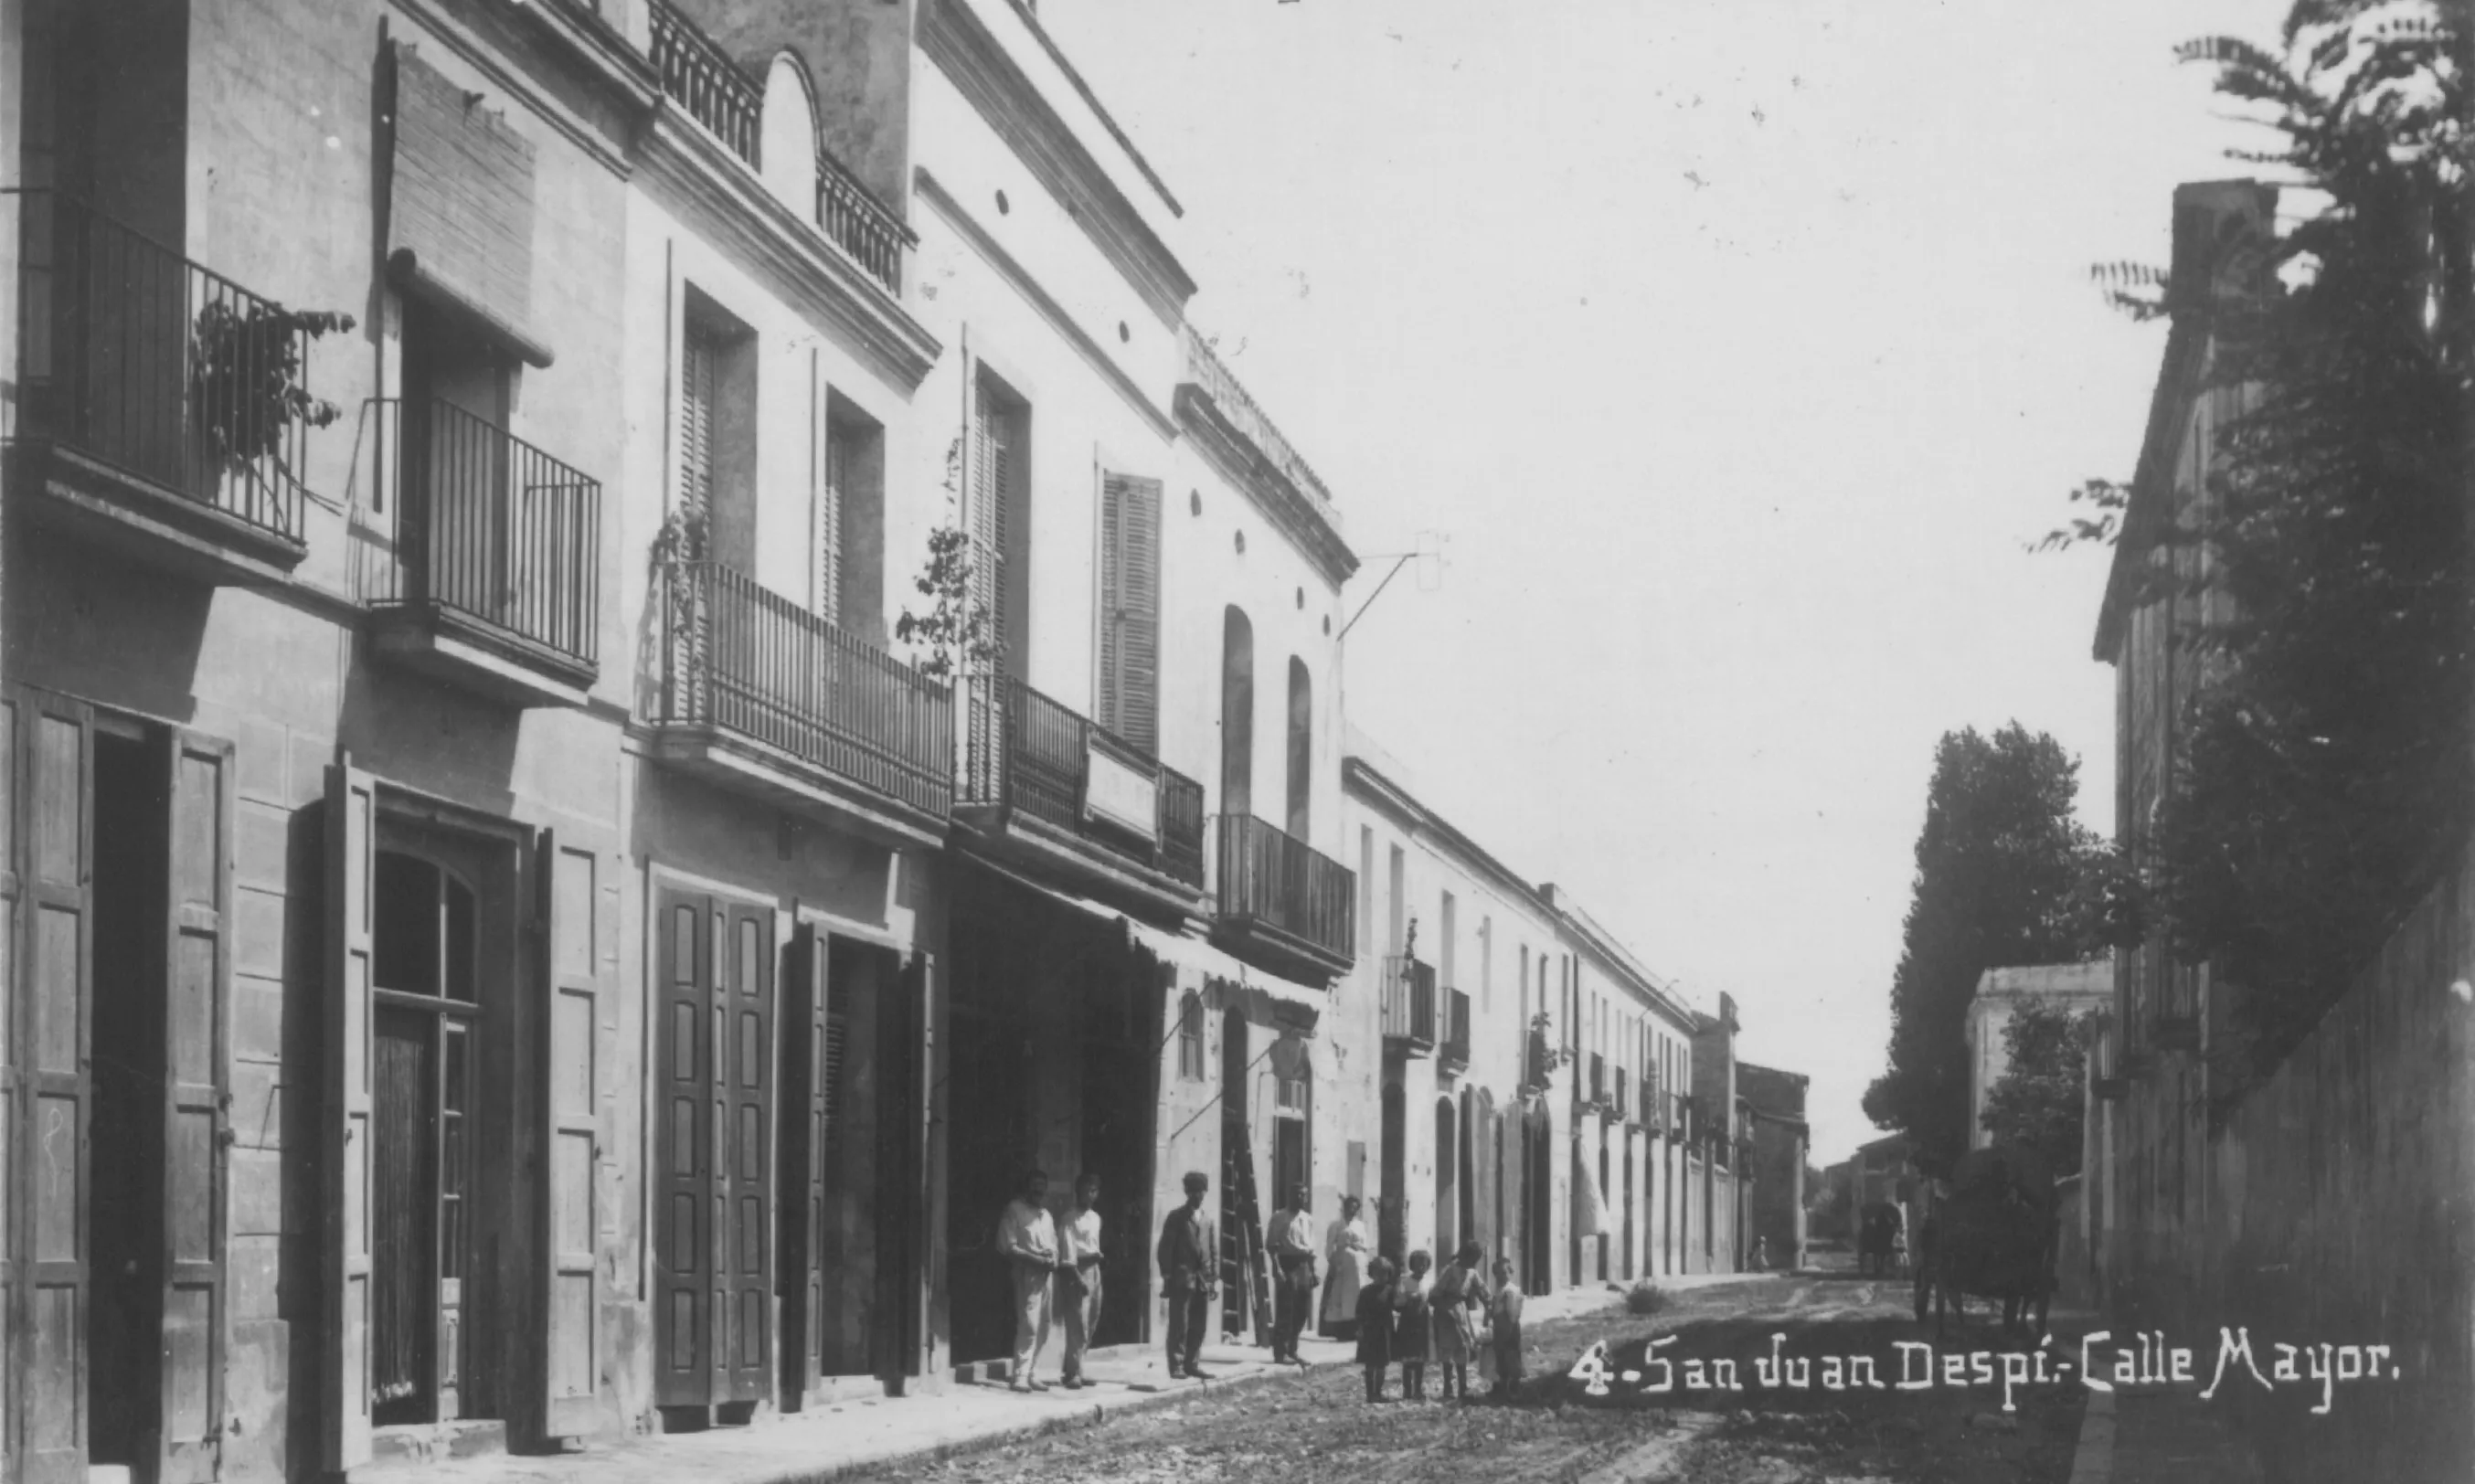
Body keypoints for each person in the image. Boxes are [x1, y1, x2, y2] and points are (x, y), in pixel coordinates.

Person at [996, 1169, 1059, 1392]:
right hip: (1026, 1273)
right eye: (1035, 1185)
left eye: (1043, 1185)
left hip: (1046, 1275)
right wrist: (1035, 1260)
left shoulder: (1046, 1215)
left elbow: (1053, 1244)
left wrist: (1052, 1260)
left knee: (1044, 1325)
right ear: (1026, 1187)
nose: (1039, 1190)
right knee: (1029, 1325)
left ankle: (1033, 1372)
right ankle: (1019, 1375)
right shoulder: (1015, 1210)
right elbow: (1009, 1247)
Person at [1155, 1170, 1218, 1381]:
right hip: (1182, 1278)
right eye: (1193, 1191)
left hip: (1203, 1280)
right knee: (1179, 1325)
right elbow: (1165, 1249)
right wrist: (1167, 1277)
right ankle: (1177, 1365)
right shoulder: (1177, 1218)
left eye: (1201, 1191)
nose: (1197, 1196)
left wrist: (1213, 1279)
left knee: (1199, 1326)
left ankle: (1192, 1363)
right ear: (1186, 1192)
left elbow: (1213, 1251)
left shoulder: (1207, 1220)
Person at [1056, 1172, 1106, 1389]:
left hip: (1094, 1270)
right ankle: (1074, 1373)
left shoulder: (1095, 1218)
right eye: (1086, 1190)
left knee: (1092, 1319)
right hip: (1077, 1270)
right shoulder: (1069, 1218)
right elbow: (1067, 1252)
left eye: (1093, 1190)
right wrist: (1077, 1278)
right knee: (1078, 1323)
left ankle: (1075, 1368)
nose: (1090, 1195)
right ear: (1078, 1192)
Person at [1267, 1183, 1318, 1364]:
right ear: (1289, 1196)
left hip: (1304, 1265)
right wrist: (1277, 1268)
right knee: (1286, 1309)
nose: (1301, 1199)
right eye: (1297, 1195)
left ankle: (1293, 1349)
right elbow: (1272, 1246)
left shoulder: (1308, 1219)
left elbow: (1311, 1248)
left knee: (1302, 1310)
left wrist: (1313, 1271)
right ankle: (1280, 1353)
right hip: (1287, 1263)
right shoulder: (1279, 1217)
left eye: (1303, 1196)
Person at [1429, 1240, 1483, 1401]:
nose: (1471, 1263)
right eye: (1470, 1259)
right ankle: (1448, 1387)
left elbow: (1481, 1288)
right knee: (1447, 1348)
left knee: (1462, 1346)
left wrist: (1488, 1303)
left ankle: (1463, 1386)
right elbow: (1435, 1293)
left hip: (1460, 1311)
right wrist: (1443, 1307)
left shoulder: (1472, 1272)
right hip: (1446, 1311)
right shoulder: (1450, 1270)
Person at [1321, 1195, 1371, 1341]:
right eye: (1350, 1207)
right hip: (1342, 1266)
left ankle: (1355, 1328)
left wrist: (1358, 1249)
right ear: (1344, 1208)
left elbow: (1365, 1245)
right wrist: (1334, 1262)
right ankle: (1341, 1330)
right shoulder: (1336, 1225)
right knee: (1339, 1297)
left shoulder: (1360, 1226)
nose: (1352, 1211)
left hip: (1358, 1267)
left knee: (1356, 1296)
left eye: (1355, 1208)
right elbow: (1330, 1247)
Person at [1354, 1256, 1397, 1403]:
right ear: (1372, 1274)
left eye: (1384, 1274)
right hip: (1369, 1330)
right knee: (1370, 1363)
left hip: (1384, 1330)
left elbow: (1396, 1306)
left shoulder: (1390, 1290)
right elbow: (1359, 1312)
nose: (1381, 1277)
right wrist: (1360, 1329)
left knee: (1382, 1363)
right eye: (1378, 1273)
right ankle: (1369, 1394)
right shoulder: (1365, 1292)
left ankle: (1378, 1392)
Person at [1393, 1248, 1433, 1402]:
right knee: (1408, 1357)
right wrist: (1410, 1298)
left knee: (1420, 1358)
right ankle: (1407, 1389)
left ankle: (1418, 1389)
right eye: (1417, 1264)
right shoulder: (1404, 1280)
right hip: (1408, 1321)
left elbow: (1432, 1300)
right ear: (1411, 1265)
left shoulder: (1429, 1282)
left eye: (1424, 1264)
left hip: (1423, 1322)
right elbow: (1398, 1301)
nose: (1421, 1267)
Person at [1486, 1258, 1525, 1400]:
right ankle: (1502, 1387)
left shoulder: (1511, 1290)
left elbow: (1513, 1311)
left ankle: (1514, 1388)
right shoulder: (1498, 1290)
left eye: (1504, 1273)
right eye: (1497, 1273)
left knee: (1512, 1357)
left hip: (1509, 1327)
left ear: (1511, 1272)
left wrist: (1511, 1326)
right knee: (1500, 1357)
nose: (1500, 1276)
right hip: (1499, 1327)